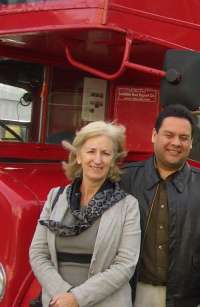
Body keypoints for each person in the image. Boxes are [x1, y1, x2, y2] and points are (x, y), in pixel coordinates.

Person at [120, 104, 200, 307]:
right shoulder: (125, 180)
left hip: (186, 299)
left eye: (183, 137)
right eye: (168, 135)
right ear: (154, 135)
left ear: (191, 143)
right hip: (130, 293)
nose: (176, 143)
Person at [29, 121, 141, 307]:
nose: (97, 160)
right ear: (78, 156)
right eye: (91, 151)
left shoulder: (128, 206)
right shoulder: (55, 197)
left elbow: (125, 265)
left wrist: (77, 299)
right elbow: (38, 253)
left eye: (105, 153)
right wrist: (63, 295)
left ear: (113, 160)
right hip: (57, 302)